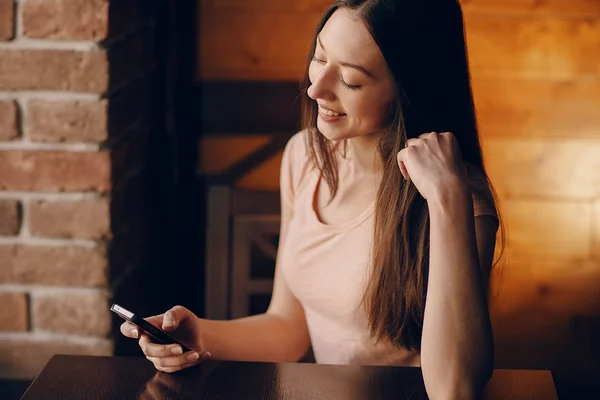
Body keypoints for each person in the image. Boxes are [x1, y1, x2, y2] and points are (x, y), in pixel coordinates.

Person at [121, 0, 504, 398]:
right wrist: (200, 335)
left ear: (410, 89)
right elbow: (288, 328)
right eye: (320, 57)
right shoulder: (305, 157)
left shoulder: (458, 199)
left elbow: (455, 389)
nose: (316, 87)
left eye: (351, 80)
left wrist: (446, 199)